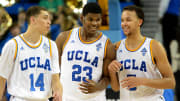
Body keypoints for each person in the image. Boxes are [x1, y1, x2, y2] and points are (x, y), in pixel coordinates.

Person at [108, 5, 175, 101]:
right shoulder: (116, 47)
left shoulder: (154, 46)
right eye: (122, 20)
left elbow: (170, 82)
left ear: (139, 22)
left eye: (128, 20)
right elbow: (116, 88)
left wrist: (142, 81)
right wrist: (111, 72)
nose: (124, 23)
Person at [0, 6, 62, 101]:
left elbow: (55, 79)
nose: (49, 22)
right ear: (33, 20)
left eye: (50, 19)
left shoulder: (52, 45)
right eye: (45, 18)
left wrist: (58, 92)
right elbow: (2, 79)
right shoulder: (12, 45)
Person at [55, 2, 115, 101]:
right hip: (67, 98)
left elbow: (107, 77)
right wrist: (56, 91)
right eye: (90, 19)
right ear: (82, 18)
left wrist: (97, 87)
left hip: (94, 98)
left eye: (98, 20)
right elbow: (55, 71)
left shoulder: (107, 44)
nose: (94, 23)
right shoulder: (64, 38)